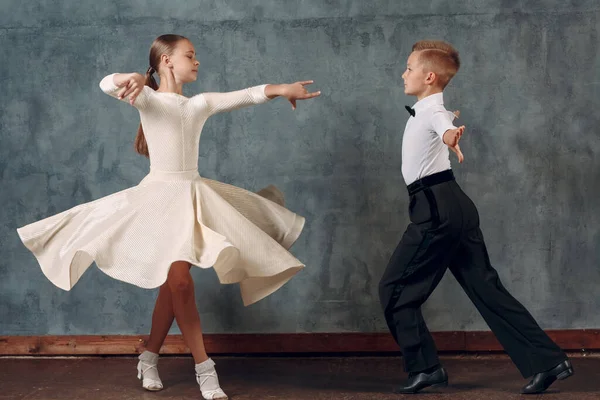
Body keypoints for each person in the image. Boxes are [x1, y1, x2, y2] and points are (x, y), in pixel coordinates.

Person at [17, 34, 320, 399]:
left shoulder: (200, 104)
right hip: (157, 202)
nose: (196, 62)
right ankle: (204, 367)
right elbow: (105, 83)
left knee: (172, 284)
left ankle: (148, 356)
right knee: (176, 283)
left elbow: (247, 94)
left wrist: (281, 88)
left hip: (192, 200)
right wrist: (132, 78)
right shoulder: (146, 98)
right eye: (189, 56)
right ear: (166, 61)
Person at [377, 40, 572, 395]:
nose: (403, 73)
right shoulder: (430, 110)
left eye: (409, 68)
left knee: (394, 290)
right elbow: (443, 123)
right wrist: (448, 131)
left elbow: (444, 126)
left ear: (429, 76)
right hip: (455, 206)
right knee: (486, 288)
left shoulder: (434, 112)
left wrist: (452, 136)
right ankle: (548, 361)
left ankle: (426, 368)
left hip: (436, 210)